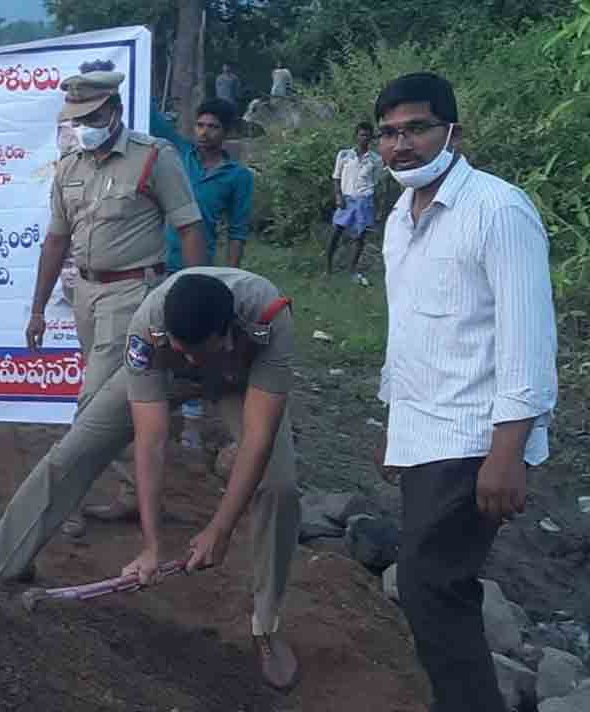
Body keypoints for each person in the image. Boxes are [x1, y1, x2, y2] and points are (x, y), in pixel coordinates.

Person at [0, 267, 302, 691]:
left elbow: (258, 441)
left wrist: (220, 529)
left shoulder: (269, 318)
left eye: (201, 351)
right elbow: (151, 440)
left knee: (280, 487)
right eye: (185, 350)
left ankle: (265, 624)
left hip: (241, 379)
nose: (194, 361)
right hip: (166, 375)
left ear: (227, 330)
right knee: (75, 450)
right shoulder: (148, 328)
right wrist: (151, 546)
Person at [373, 72, 558, 712]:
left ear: (453, 130)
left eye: (417, 128)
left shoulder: (498, 210)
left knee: (431, 585)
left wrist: (508, 452)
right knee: (436, 586)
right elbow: (413, 332)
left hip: (476, 434)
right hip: (425, 430)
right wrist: (397, 430)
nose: (402, 145)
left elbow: (528, 338)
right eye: (389, 133)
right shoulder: (401, 217)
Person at [25, 68, 205, 538]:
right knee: (116, 400)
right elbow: (55, 240)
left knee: (92, 403)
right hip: (85, 295)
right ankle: (132, 495)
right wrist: (39, 308)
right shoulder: (69, 167)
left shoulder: (153, 158)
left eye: (92, 115)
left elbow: (189, 227)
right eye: (76, 117)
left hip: (134, 295)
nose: (83, 124)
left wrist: (194, 298)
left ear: (116, 111)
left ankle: (66, 503)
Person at [82, 99, 254, 518]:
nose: (204, 131)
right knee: (147, 368)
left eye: (214, 126)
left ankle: (200, 434)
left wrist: (223, 279)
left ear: (226, 132)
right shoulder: (177, 155)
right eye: (200, 123)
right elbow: (151, 114)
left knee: (189, 363)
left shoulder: (238, 177)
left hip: (196, 276)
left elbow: (238, 230)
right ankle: (147, 473)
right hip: (154, 276)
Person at [327, 122, 384, 284]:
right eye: (361, 134)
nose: (364, 138)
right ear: (356, 136)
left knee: (360, 237)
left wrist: (378, 207)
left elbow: (376, 183)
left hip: (364, 200)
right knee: (336, 232)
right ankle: (328, 268)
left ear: (371, 138)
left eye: (367, 135)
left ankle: (352, 270)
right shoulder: (344, 155)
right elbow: (336, 177)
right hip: (346, 198)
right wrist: (338, 196)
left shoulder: (375, 160)